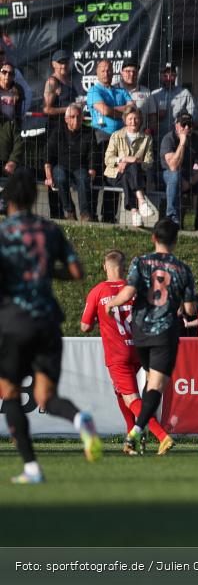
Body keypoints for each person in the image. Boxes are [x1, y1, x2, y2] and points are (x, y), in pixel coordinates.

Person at [0, 170, 102, 484]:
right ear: (33, 198)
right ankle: (79, 418)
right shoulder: (50, 229)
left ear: (7, 201)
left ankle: (32, 468)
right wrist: (43, 275)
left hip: (14, 322)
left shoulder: (3, 233)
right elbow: (76, 270)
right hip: (47, 323)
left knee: (10, 394)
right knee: (47, 397)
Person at [106, 219, 197, 454]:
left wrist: (112, 304)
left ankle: (140, 433)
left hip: (141, 331)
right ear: (175, 241)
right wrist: (180, 304)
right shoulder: (183, 269)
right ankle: (136, 431)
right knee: (156, 385)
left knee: (149, 381)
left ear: (153, 238)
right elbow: (189, 310)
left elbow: (129, 291)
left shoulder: (141, 262)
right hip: (164, 332)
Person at [80, 250, 173, 455]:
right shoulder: (135, 289)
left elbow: (85, 327)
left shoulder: (98, 291)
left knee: (132, 399)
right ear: (124, 267)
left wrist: (98, 317)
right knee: (121, 393)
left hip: (117, 353)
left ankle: (161, 436)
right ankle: (133, 439)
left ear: (105, 266)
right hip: (139, 349)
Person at [44, 103, 100, 222]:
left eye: (79, 116)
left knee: (83, 178)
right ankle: (69, 211)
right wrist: (48, 174)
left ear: (82, 118)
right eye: (72, 117)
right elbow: (48, 153)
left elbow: (93, 153)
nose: (76, 120)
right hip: (61, 166)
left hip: (80, 166)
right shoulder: (58, 131)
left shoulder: (89, 132)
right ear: (66, 119)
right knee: (59, 177)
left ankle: (85, 214)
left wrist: (92, 169)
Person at [161, 111, 198, 230]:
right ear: (177, 126)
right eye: (183, 124)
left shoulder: (197, 140)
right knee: (175, 176)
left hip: (189, 177)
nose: (186, 128)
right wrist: (182, 143)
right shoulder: (168, 139)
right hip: (169, 175)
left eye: (189, 125)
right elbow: (173, 166)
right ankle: (172, 220)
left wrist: (189, 182)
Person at [104, 106, 154, 227]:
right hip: (115, 174)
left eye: (136, 118)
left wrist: (135, 162)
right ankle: (142, 202)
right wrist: (123, 159)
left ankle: (134, 212)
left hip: (136, 174)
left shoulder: (147, 138)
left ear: (140, 120)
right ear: (125, 120)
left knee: (130, 170)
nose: (133, 121)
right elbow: (108, 159)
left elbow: (149, 162)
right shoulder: (116, 135)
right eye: (130, 118)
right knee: (129, 170)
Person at [86, 59, 134, 145]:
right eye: (103, 71)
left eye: (108, 70)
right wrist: (124, 112)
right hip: (102, 136)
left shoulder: (122, 91)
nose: (106, 73)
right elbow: (105, 111)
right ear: (97, 73)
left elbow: (133, 109)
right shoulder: (93, 91)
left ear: (112, 72)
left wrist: (110, 109)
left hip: (122, 136)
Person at [151, 63, 197, 142]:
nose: (168, 78)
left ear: (175, 76)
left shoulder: (185, 93)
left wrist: (185, 123)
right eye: (165, 76)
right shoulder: (154, 94)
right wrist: (156, 115)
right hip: (158, 139)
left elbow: (194, 116)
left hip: (179, 139)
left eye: (171, 75)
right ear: (161, 77)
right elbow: (148, 117)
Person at [42, 50, 79, 135]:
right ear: (53, 64)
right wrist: (69, 109)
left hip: (70, 128)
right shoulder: (52, 82)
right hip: (56, 129)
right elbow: (46, 109)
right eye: (60, 63)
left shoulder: (68, 81)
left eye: (66, 62)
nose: (64, 65)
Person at [119, 61, 158, 135]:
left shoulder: (146, 92)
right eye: (128, 71)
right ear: (121, 72)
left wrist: (150, 130)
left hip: (140, 137)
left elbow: (152, 117)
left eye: (134, 72)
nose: (131, 74)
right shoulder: (114, 90)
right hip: (118, 138)